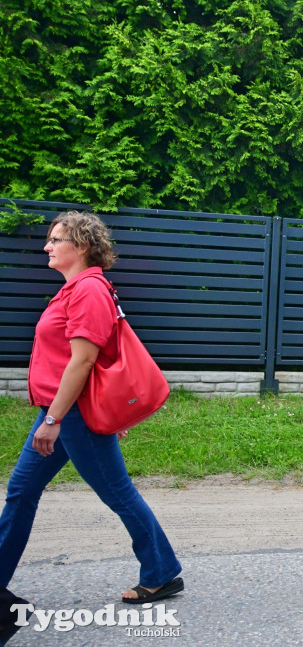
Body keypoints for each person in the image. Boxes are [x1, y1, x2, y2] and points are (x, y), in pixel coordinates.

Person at [0, 211, 184, 604]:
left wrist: (53, 419)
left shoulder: (89, 291)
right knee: (20, 491)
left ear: (81, 246)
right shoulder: (73, 289)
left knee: (117, 492)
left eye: (55, 240)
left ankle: (162, 573)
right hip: (62, 409)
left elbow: (83, 361)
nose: (47, 246)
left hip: (73, 414)